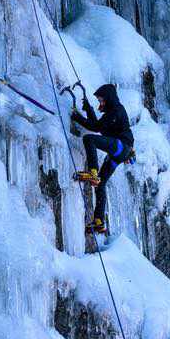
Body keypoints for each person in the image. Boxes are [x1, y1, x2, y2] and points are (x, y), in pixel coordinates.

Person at [71, 84, 134, 234]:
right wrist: (88, 109)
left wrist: (76, 116)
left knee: (89, 140)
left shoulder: (116, 110)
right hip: (119, 153)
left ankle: (92, 172)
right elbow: (100, 126)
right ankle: (99, 221)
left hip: (121, 147)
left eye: (102, 100)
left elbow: (95, 128)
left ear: (109, 98)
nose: (101, 103)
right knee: (101, 183)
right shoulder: (113, 113)